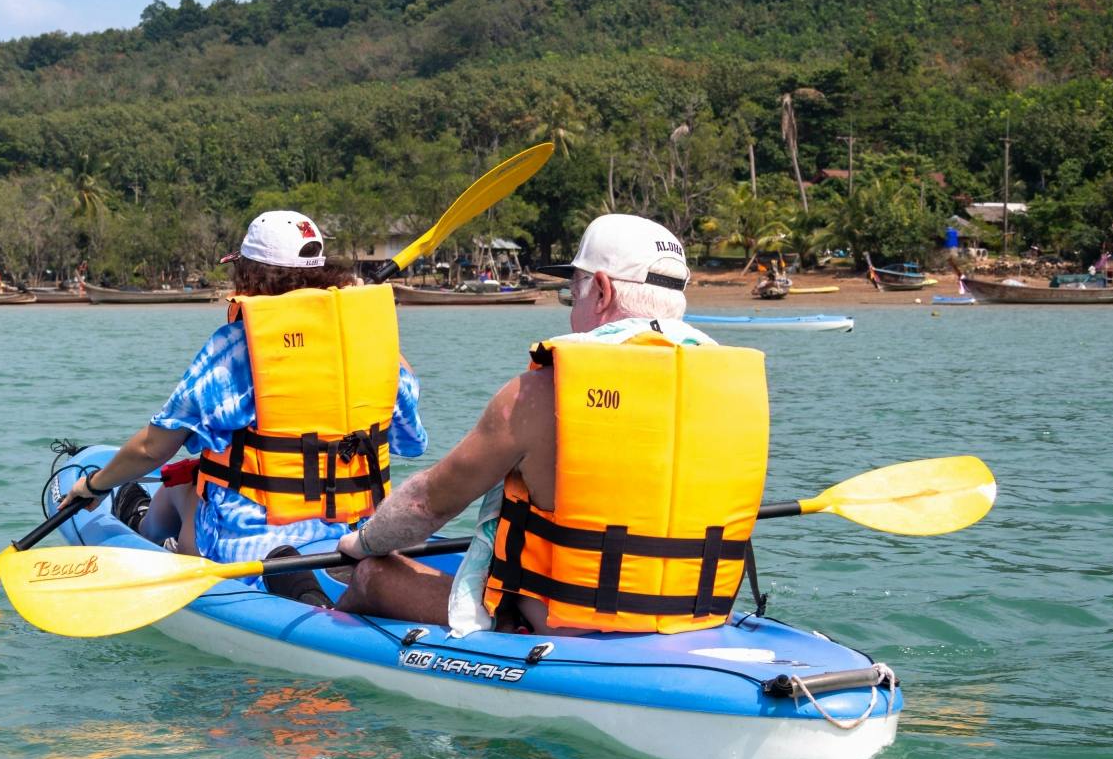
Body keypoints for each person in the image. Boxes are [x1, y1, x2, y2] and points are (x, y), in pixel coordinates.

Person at [335, 213, 767, 638]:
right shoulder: (734, 388)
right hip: (694, 621)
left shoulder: (542, 393)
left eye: (570, 291)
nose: (570, 306)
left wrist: (363, 543)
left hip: (562, 629)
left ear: (601, 289)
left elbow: (427, 505)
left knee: (372, 573)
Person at [64, 210, 427, 569]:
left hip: (249, 553)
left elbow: (151, 449)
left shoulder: (238, 346)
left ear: (249, 273)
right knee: (193, 476)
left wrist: (94, 486)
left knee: (178, 487)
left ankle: (144, 531)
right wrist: (361, 323)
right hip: (358, 536)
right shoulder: (369, 344)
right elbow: (411, 438)